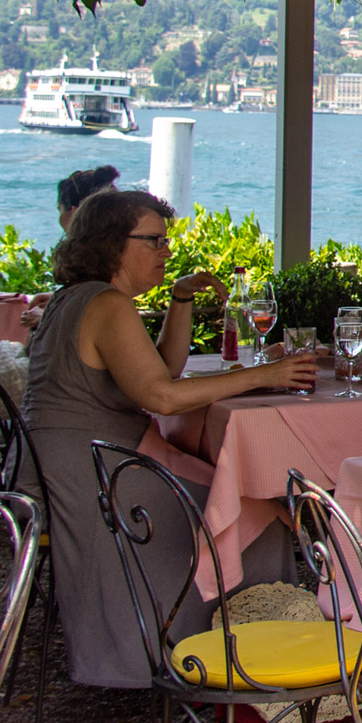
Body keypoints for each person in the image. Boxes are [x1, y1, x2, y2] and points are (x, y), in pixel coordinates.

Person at [23, 188, 317, 687]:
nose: (165, 251)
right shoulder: (108, 304)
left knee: (235, 493)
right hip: (103, 475)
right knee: (254, 509)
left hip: (73, 463)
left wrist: (180, 298)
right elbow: (161, 396)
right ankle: (228, 659)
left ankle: (228, 646)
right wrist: (265, 375)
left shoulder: (73, 298)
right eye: (154, 241)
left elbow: (160, 370)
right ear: (113, 243)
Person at [0, 165, 120, 522]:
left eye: (61, 208)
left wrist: (48, 318)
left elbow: (99, 319)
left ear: (74, 211)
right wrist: (53, 303)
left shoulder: (101, 253)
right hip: (32, 351)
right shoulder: (89, 248)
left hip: (53, 373)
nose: (59, 215)